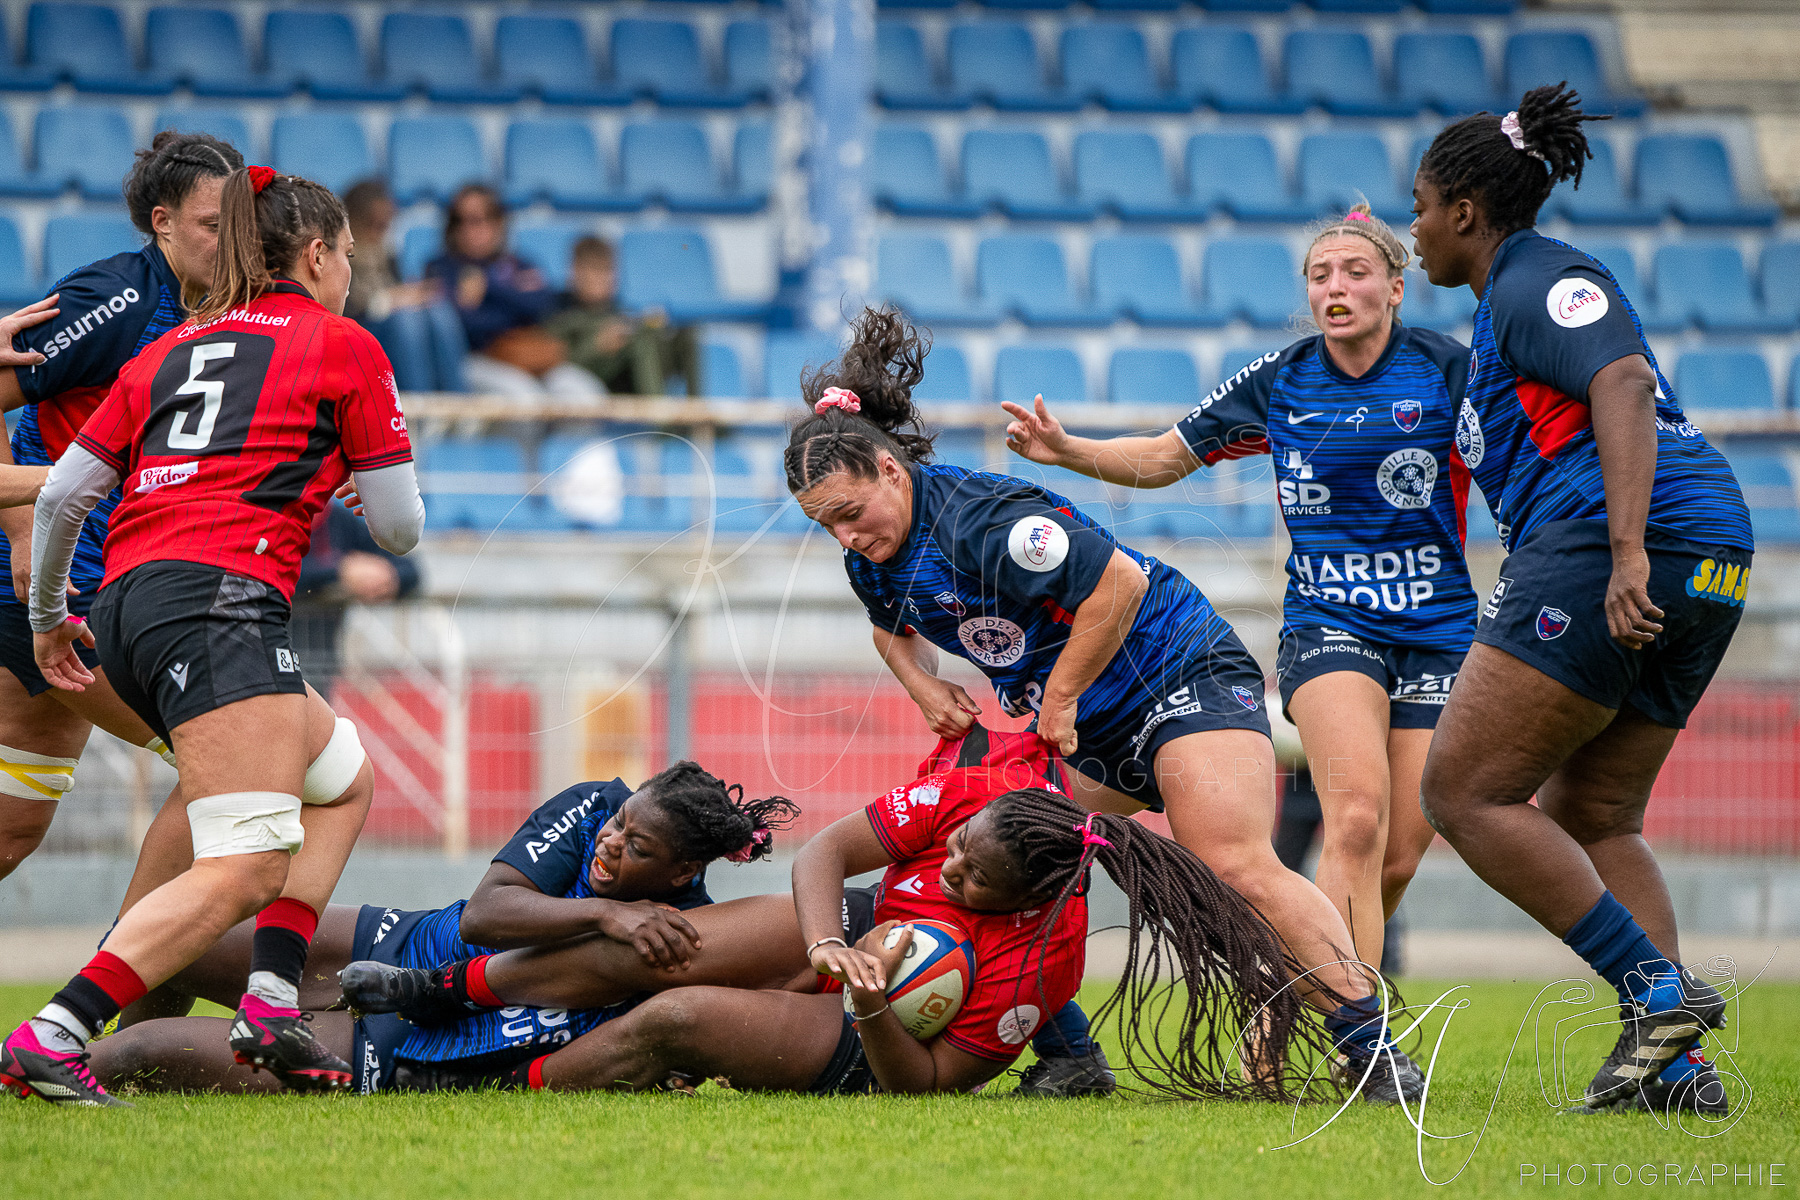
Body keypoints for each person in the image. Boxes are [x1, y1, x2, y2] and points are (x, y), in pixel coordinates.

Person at [777, 307, 1426, 1102]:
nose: (846, 536)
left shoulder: (985, 524)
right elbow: (891, 634)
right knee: (979, 855)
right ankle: (1072, 1056)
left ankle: (1373, 1049)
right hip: (1086, 729)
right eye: (825, 526)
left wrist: (1061, 694)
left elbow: (1120, 584)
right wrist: (924, 684)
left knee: (1230, 864)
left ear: (890, 471)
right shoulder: (874, 558)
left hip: (1177, 674)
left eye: (850, 513)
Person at [1, 163, 423, 1107]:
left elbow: (69, 491)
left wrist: (45, 618)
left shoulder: (170, 348)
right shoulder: (342, 343)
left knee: (342, 775)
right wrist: (363, 476)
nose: (351, 273)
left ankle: (270, 1000)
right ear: (315, 255)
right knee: (245, 862)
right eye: (348, 256)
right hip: (220, 604)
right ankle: (56, 1030)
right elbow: (399, 533)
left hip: (122, 605)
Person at [337, 728, 1331, 1098]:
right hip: (852, 931)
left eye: (973, 883)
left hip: (873, 1029)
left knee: (676, 1020)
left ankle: (506, 1086)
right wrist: (825, 939)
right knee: (659, 946)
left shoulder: (1037, 970)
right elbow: (826, 851)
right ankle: (438, 989)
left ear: (1030, 903)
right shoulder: (971, 805)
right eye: (955, 855)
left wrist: (867, 1005)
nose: (947, 875)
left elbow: (929, 1082)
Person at [1002, 202, 1472, 975]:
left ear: (1395, 287)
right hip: (1332, 626)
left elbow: (1521, 467)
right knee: (1353, 820)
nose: (1335, 288)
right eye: (1320, 276)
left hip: (1441, 634)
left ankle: (1292, 992)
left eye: (1356, 273)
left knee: (1391, 859)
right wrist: (1066, 451)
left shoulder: (1449, 370)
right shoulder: (1283, 379)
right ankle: (1355, 1034)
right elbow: (1163, 456)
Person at [1409, 85, 1745, 1117]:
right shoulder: (1498, 312)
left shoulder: (1535, 278)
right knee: (1593, 811)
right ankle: (1676, 1073)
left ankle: (1657, 997)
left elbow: (1627, 384)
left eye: (1420, 205)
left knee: (1461, 793)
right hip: (1714, 557)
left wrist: (1629, 550)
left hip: (1619, 543)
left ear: (1467, 209)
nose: (1414, 228)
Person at [90, 764, 796, 1095]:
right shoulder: (590, 806)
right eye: (620, 828)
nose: (612, 844)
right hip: (395, 943)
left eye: (637, 850)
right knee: (169, 942)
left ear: (680, 874)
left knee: (140, 1053)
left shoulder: (690, 930)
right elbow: (490, 913)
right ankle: (59, 1049)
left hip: (415, 1044)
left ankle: (66, 1072)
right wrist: (608, 910)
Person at [425, 185, 601, 404]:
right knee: (525, 399)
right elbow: (464, 324)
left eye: (481, 219)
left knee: (585, 395)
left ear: (499, 222)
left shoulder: (520, 264)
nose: (471, 228)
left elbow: (543, 306)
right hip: (477, 360)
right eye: (460, 220)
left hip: (529, 357)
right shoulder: (441, 268)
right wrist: (512, 307)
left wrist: (489, 287)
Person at [291, 497, 422, 698]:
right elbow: (271, 570)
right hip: (267, 657)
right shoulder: (268, 516)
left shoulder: (336, 518)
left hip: (319, 664)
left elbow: (410, 569)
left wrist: (387, 577)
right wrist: (341, 570)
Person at [544, 236, 701, 397]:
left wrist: (659, 330)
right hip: (588, 386)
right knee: (639, 338)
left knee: (684, 331)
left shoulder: (619, 310)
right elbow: (555, 367)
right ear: (575, 271)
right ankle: (658, 416)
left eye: (606, 269)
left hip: (630, 381)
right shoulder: (558, 311)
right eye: (593, 269)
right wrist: (597, 346)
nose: (600, 278)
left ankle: (699, 416)